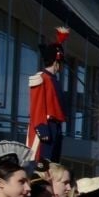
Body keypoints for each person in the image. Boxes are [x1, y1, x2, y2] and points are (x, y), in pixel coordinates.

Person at [26, 28, 70, 164]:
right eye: (61, 63)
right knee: (42, 163)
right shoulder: (41, 78)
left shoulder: (52, 79)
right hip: (46, 125)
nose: (61, 67)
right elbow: (37, 105)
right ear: (56, 62)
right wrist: (41, 127)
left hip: (55, 126)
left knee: (53, 164)